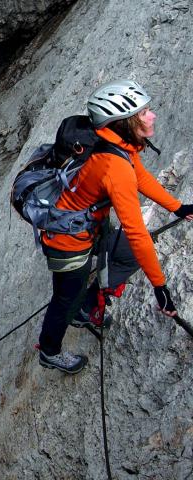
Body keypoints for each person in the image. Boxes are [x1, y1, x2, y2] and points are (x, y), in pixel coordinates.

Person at [37, 79, 193, 374]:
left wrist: (177, 207)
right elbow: (135, 232)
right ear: (125, 120)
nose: (152, 115)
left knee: (123, 258)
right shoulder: (113, 166)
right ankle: (50, 350)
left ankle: (85, 308)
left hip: (89, 227)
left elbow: (141, 177)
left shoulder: (118, 143)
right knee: (64, 299)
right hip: (67, 242)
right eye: (145, 112)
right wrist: (161, 287)